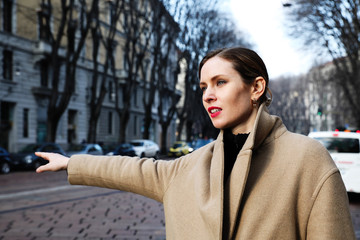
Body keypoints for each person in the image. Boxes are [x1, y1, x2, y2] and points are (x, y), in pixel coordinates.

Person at [35, 47, 355, 239]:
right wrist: (72, 162)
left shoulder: (307, 158)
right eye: (203, 86)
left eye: (220, 82)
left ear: (256, 87)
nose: (208, 95)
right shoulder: (190, 166)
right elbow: (132, 169)